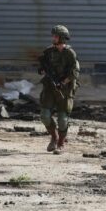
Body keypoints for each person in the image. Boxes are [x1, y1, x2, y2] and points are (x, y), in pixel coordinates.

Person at [38, 25, 80, 154]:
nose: (53, 38)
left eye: (55, 36)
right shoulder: (48, 51)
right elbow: (41, 66)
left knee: (62, 119)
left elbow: (74, 72)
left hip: (65, 89)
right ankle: (54, 137)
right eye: (53, 36)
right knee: (44, 116)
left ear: (62, 38)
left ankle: (61, 142)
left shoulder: (70, 53)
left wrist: (62, 82)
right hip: (50, 87)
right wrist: (42, 70)